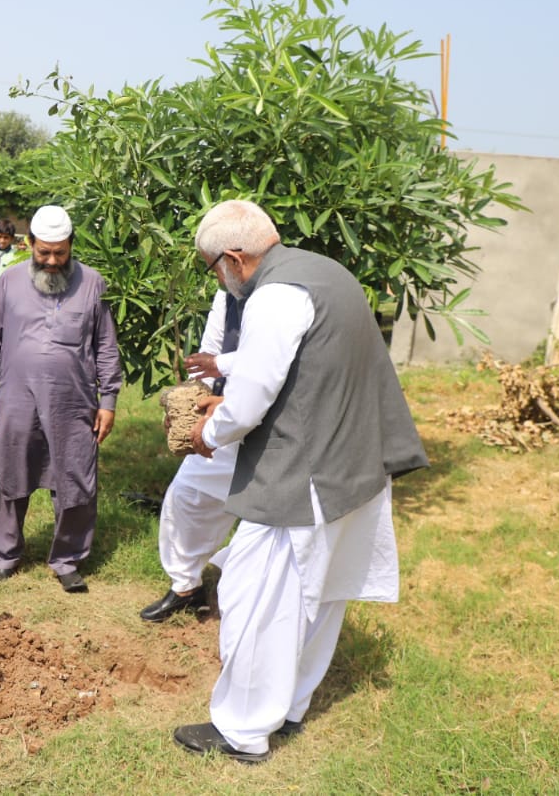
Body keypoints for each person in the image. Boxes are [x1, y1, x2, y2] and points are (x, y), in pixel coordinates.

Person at [171, 200, 428, 764]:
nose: (218, 280)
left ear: (234, 258)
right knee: (318, 595)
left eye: (214, 269)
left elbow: (253, 396)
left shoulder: (273, 295)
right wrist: (227, 386)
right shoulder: (327, 272)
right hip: (357, 466)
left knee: (255, 597)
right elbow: (306, 363)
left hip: (304, 476)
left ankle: (243, 730)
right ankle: (288, 706)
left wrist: (208, 433)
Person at [0, 205, 122, 593]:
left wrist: (108, 401)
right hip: (16, 396)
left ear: (71, 245)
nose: (52, 261)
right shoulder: (8, 281)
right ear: (29, 244)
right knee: (9, 470)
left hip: (73, 401)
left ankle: (68, 559)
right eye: (44, 253)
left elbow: (106, 346)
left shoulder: (94, 283)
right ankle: (4, 554)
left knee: (74, 473)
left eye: (60, 253)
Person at [139, 288, 241, 622]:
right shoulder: (227, 293)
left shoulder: (279, 293)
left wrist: (221, 372)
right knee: (186, 495)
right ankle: (186, 587)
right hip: (223, 415)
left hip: (272, 423)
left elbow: (269, 363)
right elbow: (207, 356)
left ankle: (248, 600)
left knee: (265, 526)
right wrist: (188, 407)